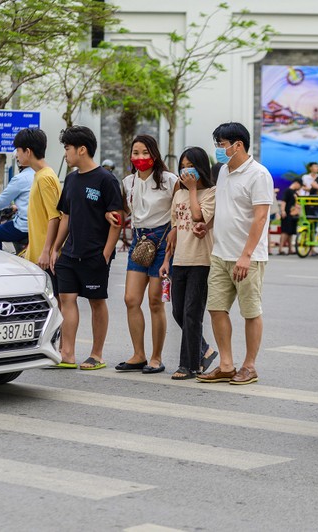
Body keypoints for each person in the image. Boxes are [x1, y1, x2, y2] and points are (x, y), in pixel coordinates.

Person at [196, 122, 273, 386]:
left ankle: (249, 366)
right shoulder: (223, 172)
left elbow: (260, 218)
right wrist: (206, 225)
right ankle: (226, 365)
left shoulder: (259, 174)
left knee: (250, 312)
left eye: (221, 144)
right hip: (220, 253)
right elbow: (224, 207)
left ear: (237, 145)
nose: (218, 149)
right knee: (216, 309)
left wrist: (246, 255)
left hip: (247, 258)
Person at [50, 125, 122, 370]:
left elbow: (117, 219)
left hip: (95, 254)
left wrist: (106, 254)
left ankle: (97, 354)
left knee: (96, 301)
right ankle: (67, 353)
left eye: (67, 148)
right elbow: (66, 217)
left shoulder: (106, 179)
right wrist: (55, 248)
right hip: (69, 254)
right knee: (66, 298)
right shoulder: (70, 179)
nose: (65, 154)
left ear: (82, 149)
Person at [110, 135, 177, 374]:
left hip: (163, 240)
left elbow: (179, 209)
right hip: (139, 240)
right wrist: (112, 214)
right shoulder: (128, 181)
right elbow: (123, 210)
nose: (140, 158)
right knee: (131, 299)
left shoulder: (170, 180)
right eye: (135, 153)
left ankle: (156, 357)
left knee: (155, 301)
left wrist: (175, 232)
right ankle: (138, 354)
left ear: (155, 155)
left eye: (145, 153)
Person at [158, 146, 218, 380]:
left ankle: (189, 365)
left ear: (200, 167)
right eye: (182, 167)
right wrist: (166, 260)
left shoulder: (211, 192)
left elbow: (198, 216)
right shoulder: (179, 194)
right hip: (179, 260)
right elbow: (174, 229)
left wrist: (193, 189)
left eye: (189, 166)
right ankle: (205, 351)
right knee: (178, 311)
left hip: (202, 261)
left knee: (192, 313)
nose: (185, 171)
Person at [13, 127, 62, 298]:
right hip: (39, 253)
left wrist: (46, 251)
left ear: (28, 151)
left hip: (45, 258)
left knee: (53, 303)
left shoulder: (44, 178)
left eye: (18, 150)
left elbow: (54, 217)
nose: (16, 155)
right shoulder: (40, 175)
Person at [0, 164, 35, 250]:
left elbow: (2, 201)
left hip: (24, 226)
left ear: (28, 152)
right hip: (37, 226)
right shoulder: (43, 174)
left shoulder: (21, 178)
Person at [278, 177, 302, 255]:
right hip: (287, 214)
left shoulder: (295, 193)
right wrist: (283, 211)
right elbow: (283, 201)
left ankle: (290, 249)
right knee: (285, 231)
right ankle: (280, 249)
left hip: (293, 215)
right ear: (296, 183)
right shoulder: (288, 191)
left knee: (290, 232)